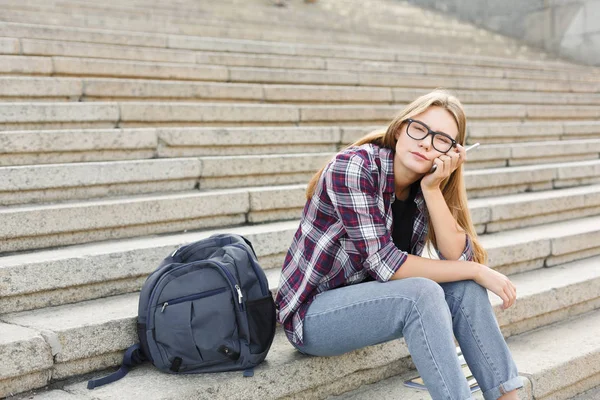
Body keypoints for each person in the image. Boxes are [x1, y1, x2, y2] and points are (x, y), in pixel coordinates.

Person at [274, 89, 523, 400]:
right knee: (424, 291)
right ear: (401, 127)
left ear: (452, 152)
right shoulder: (353, 167)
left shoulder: (425, 184)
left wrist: (433, 191)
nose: (425, 142)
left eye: (441, 139)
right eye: (419, 128)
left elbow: (457, 255)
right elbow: (385, 264)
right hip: (313, 317)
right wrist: (474, 269)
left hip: (374, 303)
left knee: (466, 288)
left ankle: (506, 397)